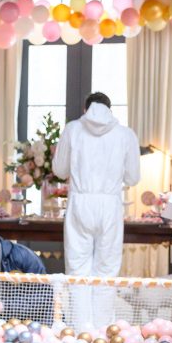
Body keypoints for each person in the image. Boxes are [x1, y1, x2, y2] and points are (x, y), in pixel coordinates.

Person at [53, 92, 140, 329]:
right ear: (110, 110)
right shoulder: (126, 134)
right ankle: (102, 331)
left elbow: (59, 170)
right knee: (107, 270)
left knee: (77, 269)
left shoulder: (72, 129)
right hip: (110, 204)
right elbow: (133, 178)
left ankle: (80, 330)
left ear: (85, 109)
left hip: (80, 202)